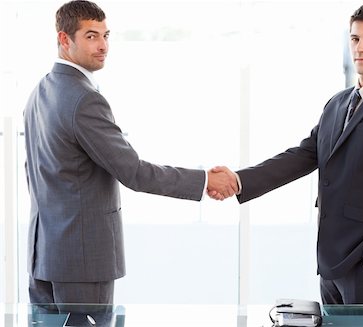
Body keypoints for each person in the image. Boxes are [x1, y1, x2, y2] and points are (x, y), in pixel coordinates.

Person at [211, 3, 363, 304]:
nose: (360, 47)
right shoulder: (337, 103)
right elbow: (302, 156)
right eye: (355, 39)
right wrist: (239, 180)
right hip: (330, 265)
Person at [23, 0, 237, 305]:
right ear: (64, 39)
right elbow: (134, 172)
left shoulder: (41, 90)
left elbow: (34, 171)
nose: (103, 46)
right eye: (91, 36)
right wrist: (204, 181)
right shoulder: (83, 100)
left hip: (43, 254)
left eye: (106, 35)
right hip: (82, 260)